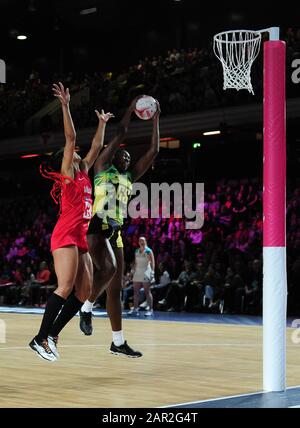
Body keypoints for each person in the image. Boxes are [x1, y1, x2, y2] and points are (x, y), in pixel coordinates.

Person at [29, 82, 113, 361]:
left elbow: (98, 146)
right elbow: (70, 136)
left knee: (84, 291)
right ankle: (40, 338)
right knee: (64, 287)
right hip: (65, 234)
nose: (77, 150)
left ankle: (53, 334)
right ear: (66, 158)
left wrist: (101, 123)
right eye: (74, 151)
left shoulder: (84, 170)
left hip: (79, 236)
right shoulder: (67, 172)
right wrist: (65, 105)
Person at [80, 96, 160, 358]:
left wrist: (156, 120)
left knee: (115, 290)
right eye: (122, 154)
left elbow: (153, 151)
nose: (126, 157)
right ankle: (87, 308)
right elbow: (122, 132)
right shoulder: (102, 167)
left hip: (116, 231)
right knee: (108, 270)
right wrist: (131, 107)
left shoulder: (129, 176)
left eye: (128, 157)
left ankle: (117, 342)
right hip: (96, 225)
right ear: (114, 157)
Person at [129, 237, 155, 317]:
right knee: (135, 292)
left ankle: (150, 309)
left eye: (143, 241)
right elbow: (135, 262)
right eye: (140, 241)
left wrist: (152, 273)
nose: (141, 242)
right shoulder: (136, 251)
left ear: (145, 241)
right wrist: (132, 271)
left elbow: (152, 262)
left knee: (147, 291)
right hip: (138, 271)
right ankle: (135, 309)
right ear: (138, 242)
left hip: (146, 271)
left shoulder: (148, 251)